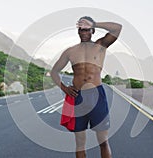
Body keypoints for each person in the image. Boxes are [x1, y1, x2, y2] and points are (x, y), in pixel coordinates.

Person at [50, 16, 122, 158]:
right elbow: (54, 72)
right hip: (78, 97)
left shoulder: (100, 46)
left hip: (96, 95)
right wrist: (65, 88)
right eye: (81, 30)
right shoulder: (70, 51)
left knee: (103, 141)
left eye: (87, 29)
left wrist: (94, 22)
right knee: (80, 142)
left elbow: (117, 28)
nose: (83, 33)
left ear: (93, 31)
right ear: (78, 31)